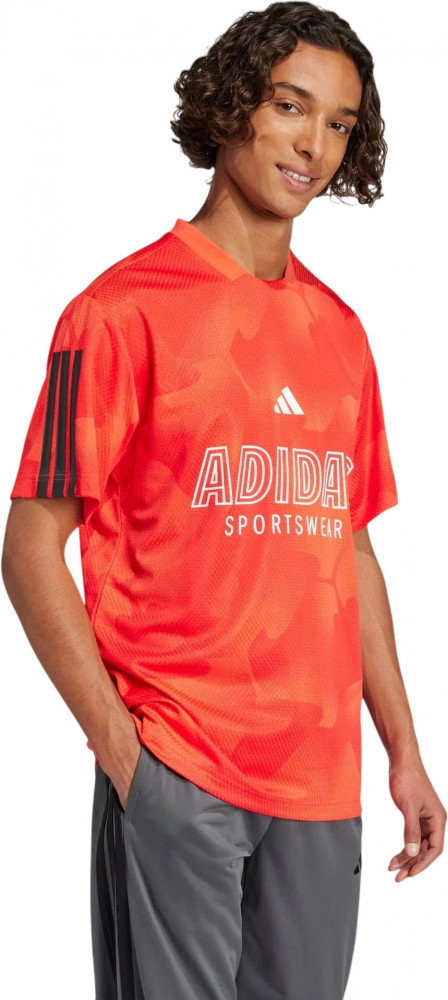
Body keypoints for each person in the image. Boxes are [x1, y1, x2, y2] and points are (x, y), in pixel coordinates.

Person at [2, 2, 446, 998]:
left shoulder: (342, 334)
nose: (314, 143)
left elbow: (348, 551)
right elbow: (30, 544)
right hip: (180, 767)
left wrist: (405, 751)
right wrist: (123, 753)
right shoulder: (118, 312)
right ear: (232, 104)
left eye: (339, 122)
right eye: (291, 105)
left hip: (320, 784)